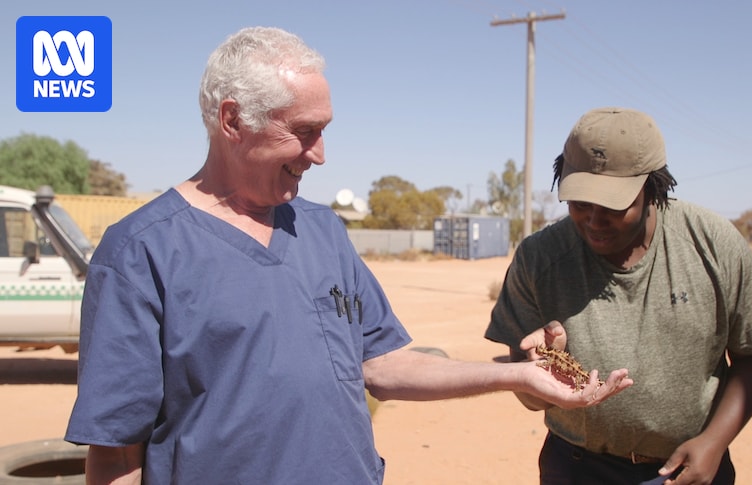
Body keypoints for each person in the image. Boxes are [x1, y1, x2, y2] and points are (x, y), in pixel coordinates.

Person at [63, 28, 633, 484]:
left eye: (324, 130)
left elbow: (380, 365)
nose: (321, 154)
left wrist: (517, 376)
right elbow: (114, 456)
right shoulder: (141, 250)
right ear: (233, 121)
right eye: (304, 132)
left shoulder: (321, 230)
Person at [485, 107, 752, 485]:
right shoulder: (538, 258)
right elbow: (529, 394)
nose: (593, 221)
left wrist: (713, 443)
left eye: (612, 206)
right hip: (576, 468)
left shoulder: (713, 245)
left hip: (688, 469)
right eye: (579, 204)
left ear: (653, 188)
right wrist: (538, 372)